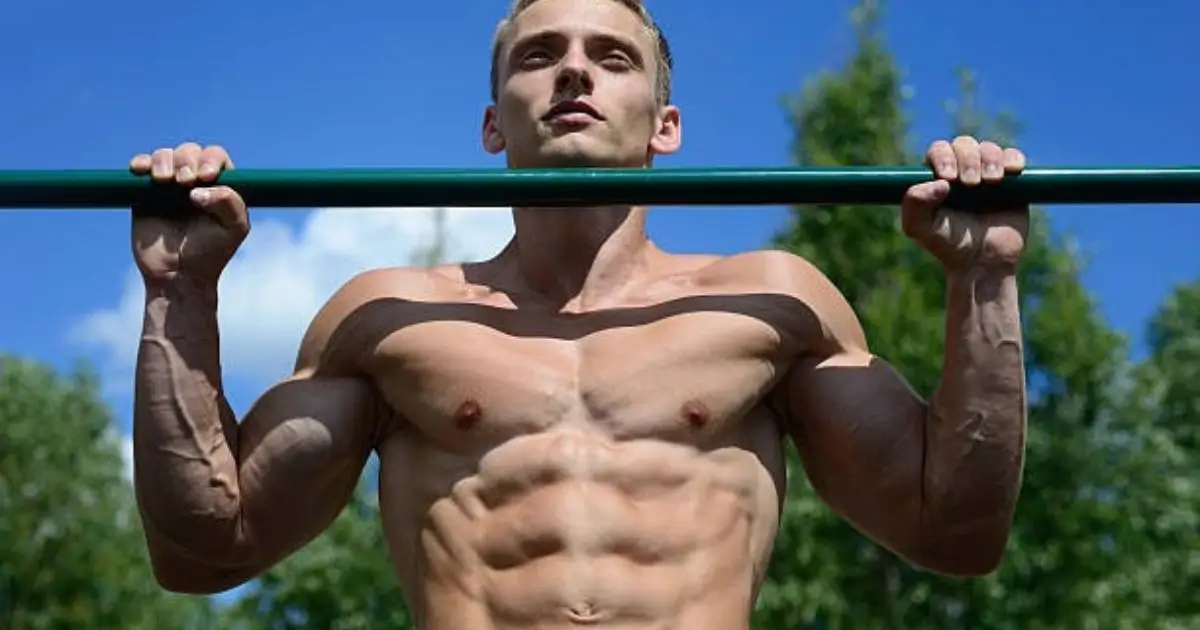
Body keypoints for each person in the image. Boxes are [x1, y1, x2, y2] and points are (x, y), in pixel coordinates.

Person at [126, 0, 1029, 627]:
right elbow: (204, 552)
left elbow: (954, 535)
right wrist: (180, 292)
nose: (572, 75)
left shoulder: (773, 303)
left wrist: (983, 281)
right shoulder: (391, 320)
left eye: (611, 56)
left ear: (663, 125)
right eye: (539, 55)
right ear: (492, 126)